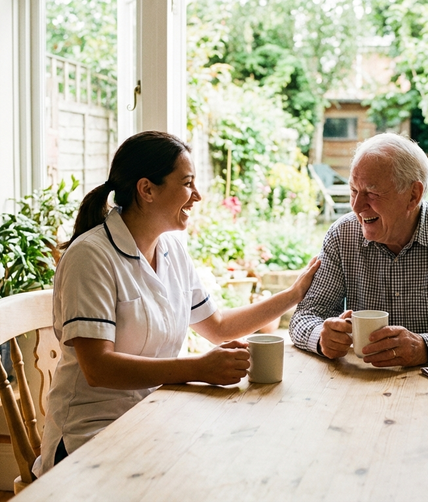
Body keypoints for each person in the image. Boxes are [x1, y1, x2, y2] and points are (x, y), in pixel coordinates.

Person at [37, 131, 320, 476]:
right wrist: (198, 368)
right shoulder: (91, 256)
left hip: (155, 417)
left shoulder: (171, 250)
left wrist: (292, 296)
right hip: (91, 437)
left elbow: (217, 328)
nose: (197, 196)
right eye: (187, 184)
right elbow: (98, 368)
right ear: (147, 189)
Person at [289, 132, 428, 367]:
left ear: (413, 195)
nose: (357, 206)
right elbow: (304, 317)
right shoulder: (342, 235)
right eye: (353, 191)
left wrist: (425, 347)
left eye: (372, 193)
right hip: (364, 385)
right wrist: (321, 337)